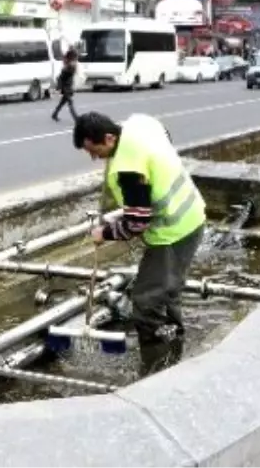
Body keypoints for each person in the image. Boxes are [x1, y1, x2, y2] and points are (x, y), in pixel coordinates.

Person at [73, 111, 208, 375]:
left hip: (173, 233)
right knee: (165, 291)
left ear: (109, 138)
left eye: (95, 149)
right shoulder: (139, 124)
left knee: (146, 302)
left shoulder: (128, 169)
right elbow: (165, 133)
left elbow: (136, 224)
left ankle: (157, 367)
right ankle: (175, 343)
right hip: (192, 215)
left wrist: (105, 233)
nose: (94, 157)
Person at [52, 49, 78, 122]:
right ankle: (76, 118)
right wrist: (59, 88)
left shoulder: (69, 65)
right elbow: (61, 78)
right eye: (75, 57)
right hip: (66, 88)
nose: (76, 58)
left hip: (68, 87)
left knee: (62, 102)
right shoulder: (69, 66)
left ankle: (55, 114)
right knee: (70, 103)